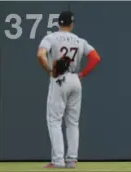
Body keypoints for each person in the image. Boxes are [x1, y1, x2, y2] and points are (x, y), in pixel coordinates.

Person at [37, 10, 101, 168]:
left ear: (59, 23)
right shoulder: (79, 40)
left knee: (54, 120)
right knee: (73, 122)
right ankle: (72, 160)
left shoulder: (51, 37)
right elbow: (95, 58)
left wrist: (50, 71)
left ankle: (58, 160)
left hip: (59, 78)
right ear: (72, 24)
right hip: (75, 80)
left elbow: (41, 55)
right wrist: (83, 74)